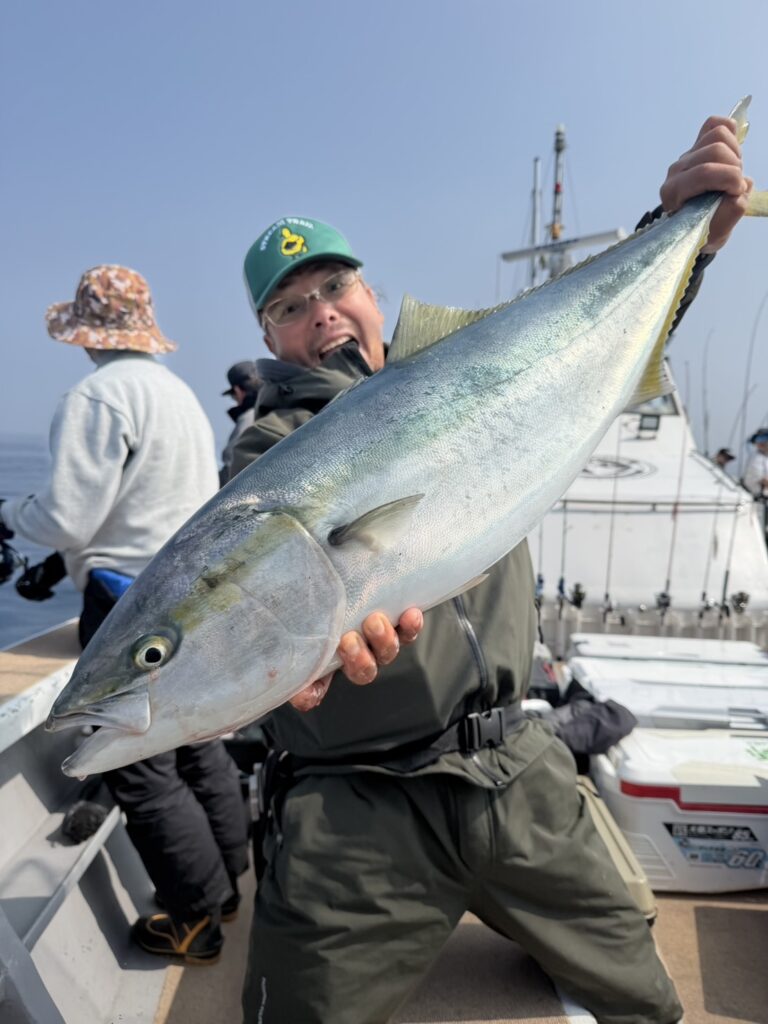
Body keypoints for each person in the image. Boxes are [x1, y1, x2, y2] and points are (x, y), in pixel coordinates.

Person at [231, 112, 751, 1024]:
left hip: (517, 764)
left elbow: (581, 342)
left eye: (335, 284)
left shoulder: (461, 364)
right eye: (288, 305)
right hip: (360, 806)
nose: (320, 310)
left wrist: (681, 239)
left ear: (368, 290)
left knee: (650, 999)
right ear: (272, 339)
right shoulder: (268, 455)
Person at [0, 265, 249, 965]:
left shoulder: (94, 396)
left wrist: (10, 514)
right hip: (192, 593)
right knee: (200, 740)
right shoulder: (178, 396)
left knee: (138, 761)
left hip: (124, 602)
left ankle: (195, 918)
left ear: (84, 333)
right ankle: (229, 882)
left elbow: (66, 516)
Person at [220, 359, 260, 485]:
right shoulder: (280, 411)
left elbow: (231, 466)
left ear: (238, 390)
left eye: (233, 395)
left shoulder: (248, 419)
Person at [744, 427, 768, 497]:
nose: (762, 442)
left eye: (765, 438)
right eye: (759, 439)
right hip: (760, 500)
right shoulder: (755, 459)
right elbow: (764, 481)